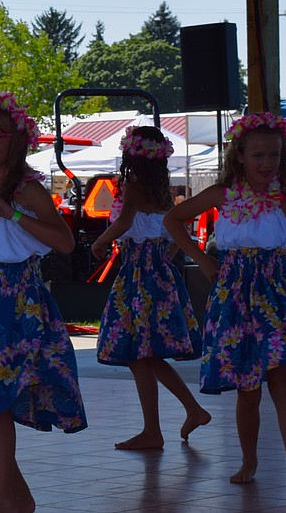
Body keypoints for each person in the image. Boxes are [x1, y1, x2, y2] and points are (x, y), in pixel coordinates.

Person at [162, 112, 286, 497]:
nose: (268, 164)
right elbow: (172, 219)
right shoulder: (221, 194)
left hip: (276, 294)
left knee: (281, 380)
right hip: (233, 297)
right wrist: (201, 259)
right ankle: (249, 460)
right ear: (241, 158)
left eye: (275, 156)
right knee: (248, 388)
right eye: (259, 156)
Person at [0, 89, 86, 513]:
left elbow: (64, 242)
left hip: (16, 299)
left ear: (15, 140)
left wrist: (13, 214)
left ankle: (0, 500)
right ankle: (17, 495)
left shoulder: (25, 189)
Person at [91, 126, 210, 450]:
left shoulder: (133, 187)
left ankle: (166, 423)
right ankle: (175, 418)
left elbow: (125, 222)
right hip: (162, 275)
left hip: (139, 276)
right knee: (145, 355)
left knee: (141, 354)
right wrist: (161, 260)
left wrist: (100, 241)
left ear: (131, 155)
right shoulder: (162, 191)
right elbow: (173, 238)